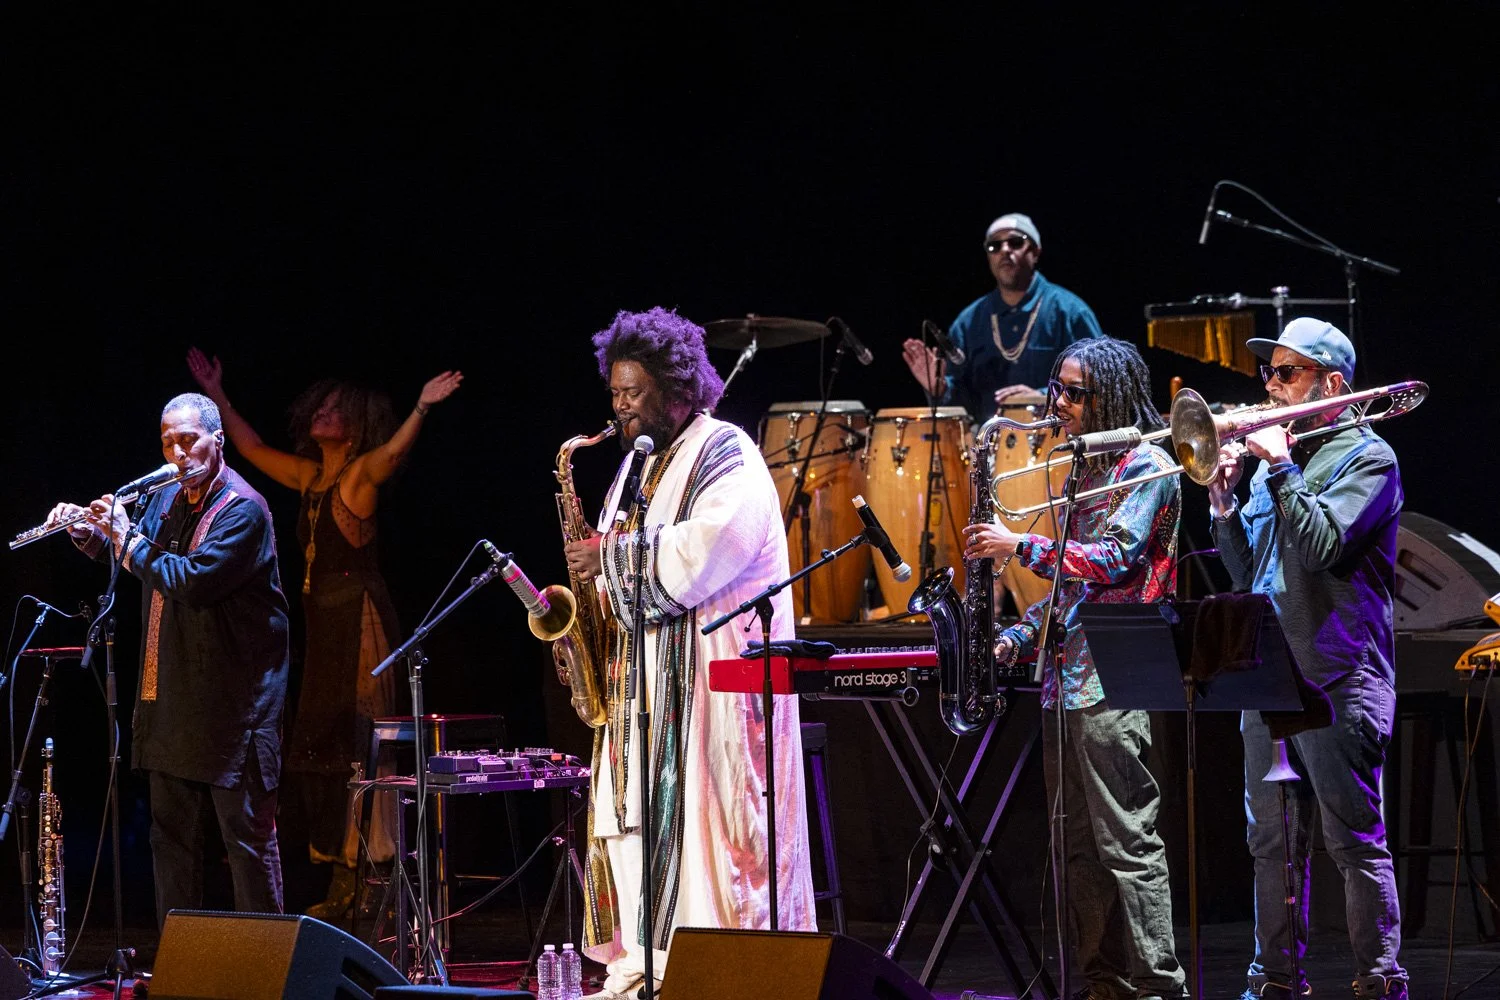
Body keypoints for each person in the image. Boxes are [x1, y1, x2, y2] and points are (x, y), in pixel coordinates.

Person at [563, 306, 815, 999]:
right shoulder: (636, 471)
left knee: (713, 846)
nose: (619, 409)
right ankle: (647, 965)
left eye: (632, 393)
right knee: (636, 826)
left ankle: (713, 976)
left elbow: (706, 552)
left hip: (712, 693)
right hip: (641, 689)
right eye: (614, 394)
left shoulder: (726, 452)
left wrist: (609, 558)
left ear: (676, 389)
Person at [187, 347, 462, 919]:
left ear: (357, 422)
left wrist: (421, 408)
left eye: (337, 409)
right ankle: (343, 876)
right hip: (323, 626)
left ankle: (370, 877)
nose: (324, 414)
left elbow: (391, 455)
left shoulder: (359, 474)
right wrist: (218, 395)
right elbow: (252, 449)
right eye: (321, 406)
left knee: (360, 743)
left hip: (360, 622)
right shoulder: (312, 475)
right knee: (322, 746)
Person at [962, 337, 1186, 1000]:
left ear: (1111, 396)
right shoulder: (1082, 470)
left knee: (1128, 845)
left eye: (1074, 392)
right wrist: (1021, 636)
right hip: (1066, 675)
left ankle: (1160, 988)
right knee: (1077, 852)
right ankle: (1101, 986)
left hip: (1121, 672)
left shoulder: (1150, 466)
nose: (1058, 403)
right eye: (1057, 388)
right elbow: (1069, 589)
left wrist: (1015, 544)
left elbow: (1111, 560)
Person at [1207, 318, 1407, 1000]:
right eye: (1269, 372)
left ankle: (1380, 980)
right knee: (1271, 844)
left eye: (1287, 372)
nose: (1270, 384)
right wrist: (1224, 502)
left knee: (1350, 842)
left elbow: (1324, 547)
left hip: (1338, 679)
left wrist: (1282, 467)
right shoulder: (1276, 463)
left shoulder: (1369, 459)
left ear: (1333, 384)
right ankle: (1276, 983)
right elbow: (1246, 576)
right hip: (1271, 679)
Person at [48, 392, 289, 924]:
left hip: (235, 708)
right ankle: (183, 964)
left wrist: (123, 537)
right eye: (168, 443)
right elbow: (140, 552)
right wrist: (88, 533)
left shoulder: (244, 509)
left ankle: (276, 972)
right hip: (172, 698)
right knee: (170, 842)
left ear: (217, 441)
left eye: (189, 440)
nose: (179, 453)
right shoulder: (166, 497)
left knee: (246, 844)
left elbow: (191, 580)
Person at [903, 212, 1103, 424]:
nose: (1005, 250)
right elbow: (962, 409)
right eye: (994, 246)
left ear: (1035, 252)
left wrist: (1043, 397)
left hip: (1057, 443)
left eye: (1016, 242)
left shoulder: (1070, 312)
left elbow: (1099, 383)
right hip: (987, 448)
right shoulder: (968, 323)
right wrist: (940, 389)